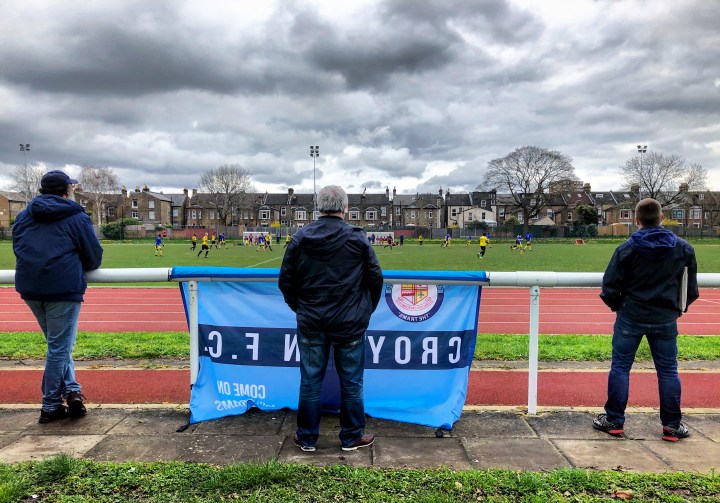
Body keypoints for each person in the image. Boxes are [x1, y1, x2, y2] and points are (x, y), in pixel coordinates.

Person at [279, 185, 383, 452]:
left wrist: (301, 308)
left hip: (313, 322)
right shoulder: (357, 238)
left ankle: (307, 437)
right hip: (348, 323)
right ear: (345, 208)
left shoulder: (300, 238)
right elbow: (375, 279)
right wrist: (364, 311)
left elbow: (286, 282)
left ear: (319, 207)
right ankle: (350, 436)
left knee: (311, 380)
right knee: (351, 380)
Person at [593, 198, 699, 442]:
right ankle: (672, 426)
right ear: (662, 218)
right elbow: (690, 290)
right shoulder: (683, 248)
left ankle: (614, 420)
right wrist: (677, 309)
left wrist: (620, 307)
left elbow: (609, 287)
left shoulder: (626, 248)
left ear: (637, 220)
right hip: (665, 317)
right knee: (668, 371)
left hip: (631, 315)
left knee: (620, 367)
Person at [12, 170, 103, 424]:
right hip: (62, 288)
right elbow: (94, 257)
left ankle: (72, 391)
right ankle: (50, 405)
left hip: (30, 288)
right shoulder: (76, 215)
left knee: (58, 346)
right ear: (68, 190)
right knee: (59, 347)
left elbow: (18, 247)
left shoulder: (23, 215)